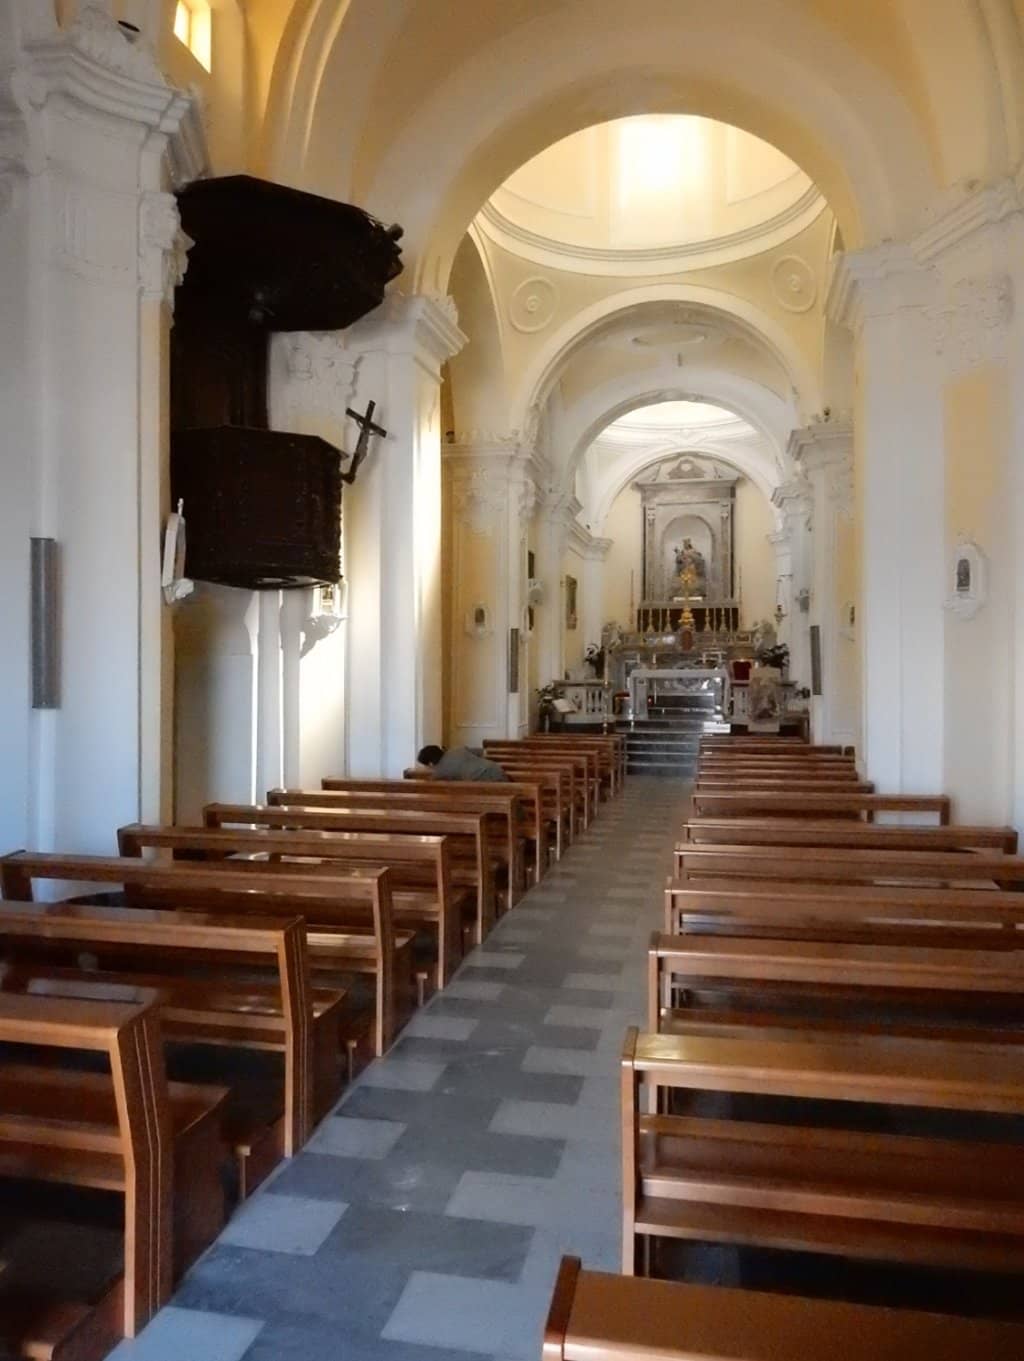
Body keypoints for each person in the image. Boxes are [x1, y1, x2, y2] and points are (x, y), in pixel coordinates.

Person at [416, 744, 510, 782]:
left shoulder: (439, 772)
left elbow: (431, 783)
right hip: (495, 769)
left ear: (430, 763)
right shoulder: (457, 749)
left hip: (481, 781)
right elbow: (483, 752)